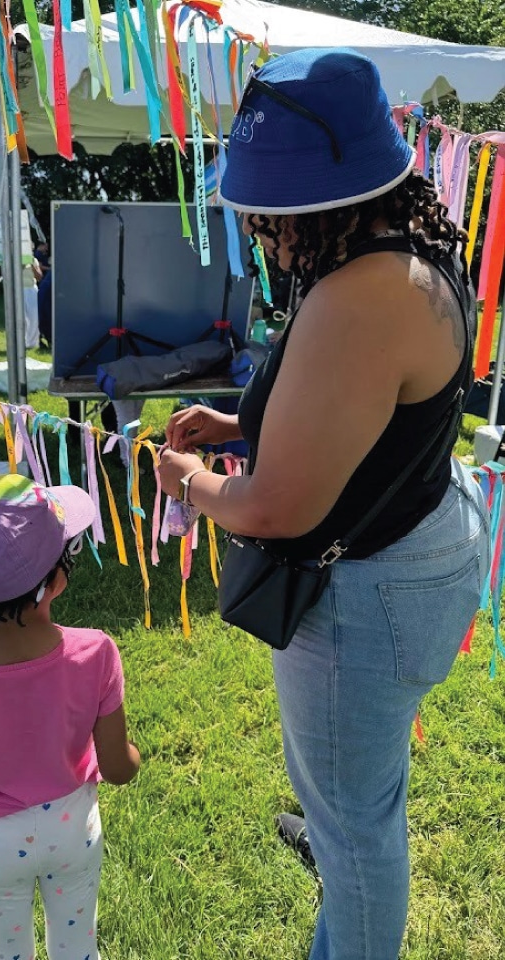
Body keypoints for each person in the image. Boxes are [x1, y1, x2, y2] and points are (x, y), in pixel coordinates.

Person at [158, 48, 489, 960]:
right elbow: (368, 409)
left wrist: (189, 482)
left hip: (371, 591)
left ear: (304, 206)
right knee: (362, 797)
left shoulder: (360, 297)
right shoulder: (403, 245)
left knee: (355, 832)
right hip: (417, 543)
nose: (256, 228)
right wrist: (241, 421)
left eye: (261, 211)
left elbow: (276, 509)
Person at [0, 473, 140, 960]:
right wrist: (134, 755)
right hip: (73, 833)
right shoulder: (97, 652)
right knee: (77, 948)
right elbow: (119, 768)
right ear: (57, 579)